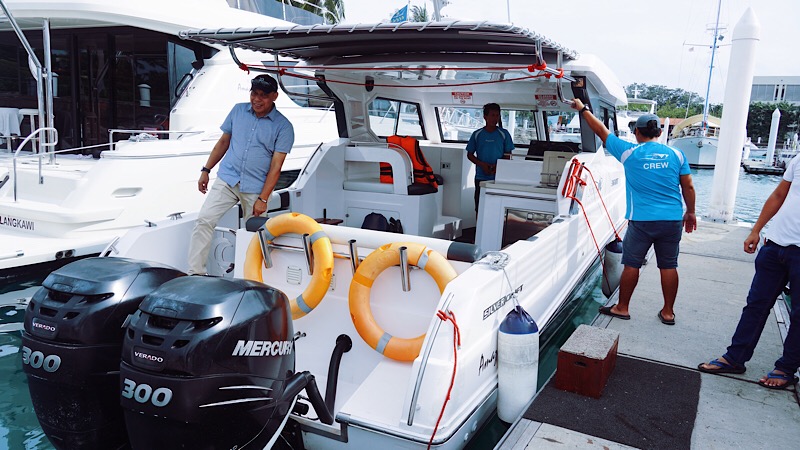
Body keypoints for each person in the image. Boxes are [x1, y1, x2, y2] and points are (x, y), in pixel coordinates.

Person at [570, 98, 696, 325]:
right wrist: (691, 213)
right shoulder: (677, 155)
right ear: (658, 132)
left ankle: (622, 307)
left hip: (641, 221)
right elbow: (688, 186)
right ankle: (668, 312)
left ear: (637, 132)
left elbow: (600, 130)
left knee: (632, 264)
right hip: (671, 220)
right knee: (669, 265)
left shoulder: (629, 152)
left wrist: (582, 109)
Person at [698, 154, 800, 389]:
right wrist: (756, 230)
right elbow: (779, 195)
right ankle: (735, 358)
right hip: (775, 244)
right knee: (756, 304)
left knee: (798, 314)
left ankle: (785, 368)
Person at [187, 74, 294, 275]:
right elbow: (223, 143)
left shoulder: (284, 127)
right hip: (228, 179)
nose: (256, 99)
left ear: (274, 97)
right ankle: (195, 273)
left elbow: (276, 167)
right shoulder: (237, 111)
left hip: (256, 188)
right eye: (254, 93)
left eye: (263, 95)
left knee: (255, 234)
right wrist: (206, 170)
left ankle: (251, 278)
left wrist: (263, 198)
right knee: (204, 220)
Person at [466, 103, 514, 213]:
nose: (495, 118)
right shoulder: (477, 134)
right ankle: (478, 229)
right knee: (479, 206)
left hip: (499, 177)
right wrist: (482, 165)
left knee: (497, 207)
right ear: (485, 117)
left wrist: (498, 167)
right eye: (492, 115)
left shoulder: (504, 134)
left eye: (497, 115)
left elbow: (508, 155)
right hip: (480, 177)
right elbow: (470, 154)